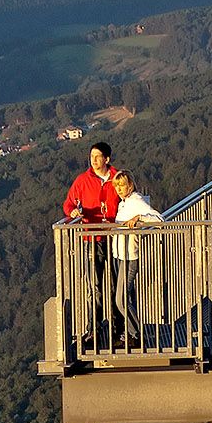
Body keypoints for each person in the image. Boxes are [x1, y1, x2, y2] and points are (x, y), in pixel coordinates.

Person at [62, 142, 121, 345]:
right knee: (94, 285)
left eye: (97, 157)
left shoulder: (117, 178)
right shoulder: (83, 180)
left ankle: (117, 327)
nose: (93, 160)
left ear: (107, 159)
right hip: (91, 238)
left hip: (114, 237)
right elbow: (68, 203)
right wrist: (73, 213)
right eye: (91, 156)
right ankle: (93, 329)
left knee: (115, 285)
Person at [103, 169, 164, 350]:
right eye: (117, 186)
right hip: (120, 254)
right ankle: (131, 333)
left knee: (121, 299)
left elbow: (159, 219)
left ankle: (136, 334)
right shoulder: (124, 203)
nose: (119, 189)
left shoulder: (136, 201)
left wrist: (140, 218)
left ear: (129, 184)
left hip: (130, 256)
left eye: (122, 185)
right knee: (124, 297)